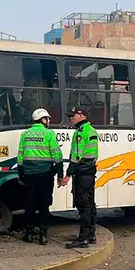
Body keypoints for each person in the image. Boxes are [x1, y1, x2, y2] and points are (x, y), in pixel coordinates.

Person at [17, 108, 63, 245]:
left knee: (29, 205)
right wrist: (60, 174)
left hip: (29, 176)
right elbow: (57, 156)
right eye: (47, 119)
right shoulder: (49, 134)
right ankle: (43, 236)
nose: (49, 121)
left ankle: (29, 234)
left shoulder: (25, 134)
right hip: (45, 176)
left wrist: (21, 175)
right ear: (43, 120)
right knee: (44, 206)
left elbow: (20, 156)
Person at [60, 106, 99, 248]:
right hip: (90, 172)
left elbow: (76, 157)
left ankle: (83, 238)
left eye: (72, 115)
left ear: (81, 115)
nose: (70, 119)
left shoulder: (80, 133)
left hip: (82, 174)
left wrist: (68, 175)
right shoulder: (92, 130)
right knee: (90, 203)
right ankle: (91, 234)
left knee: (83, 205)